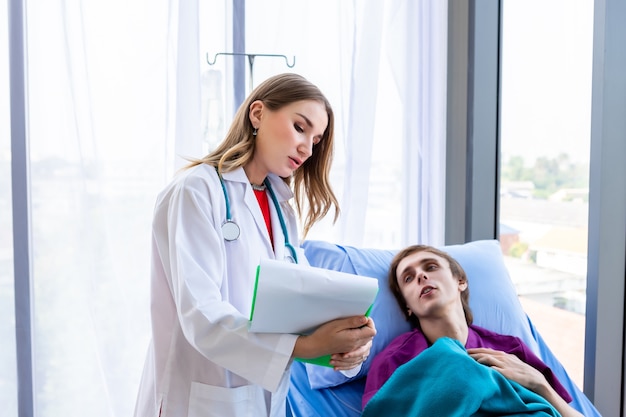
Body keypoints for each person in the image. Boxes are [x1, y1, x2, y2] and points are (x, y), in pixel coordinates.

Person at [134, 73, 376, 417]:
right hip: (198, 397)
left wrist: (348, 344)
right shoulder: (196, 191)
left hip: (260, 399)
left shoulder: (281, 210)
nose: (307, 147)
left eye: (316, 139)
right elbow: (200, 314)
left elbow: (301, 306)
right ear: (258, 113)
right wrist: (301, 346)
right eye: (300, 127)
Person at [362, 245, 583, 417]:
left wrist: (540, 384)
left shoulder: (510, 349)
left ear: (461, 281)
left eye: (430, 267)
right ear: (407, 306)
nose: (421, 276)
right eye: (408, 278)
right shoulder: (394, 360)